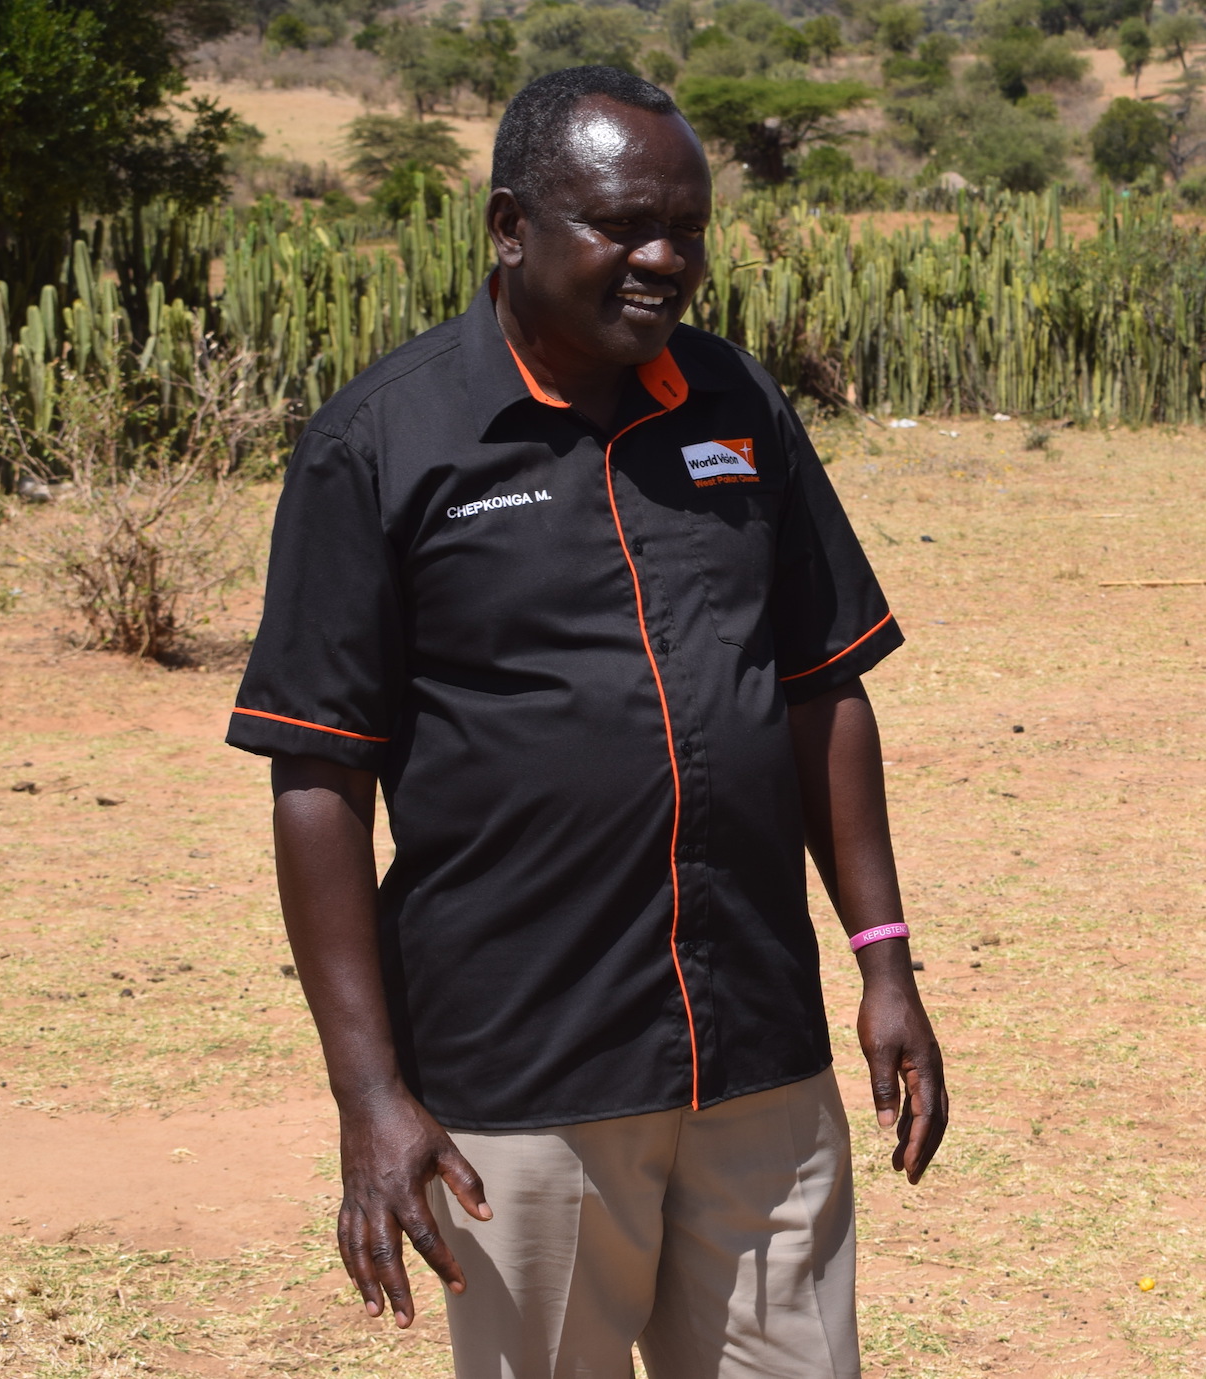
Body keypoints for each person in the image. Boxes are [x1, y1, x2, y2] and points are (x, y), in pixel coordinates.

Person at [226, 65, 946, 1379]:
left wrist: (882, 958)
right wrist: (369, 1093)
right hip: (519, 1077)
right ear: (510, 228)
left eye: (687, 229)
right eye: (623, 225)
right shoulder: (384, 445)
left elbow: (821, 684)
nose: (664, 258)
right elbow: (316, 775)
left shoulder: (737, 408)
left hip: (756, 1053)